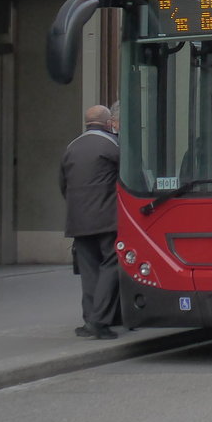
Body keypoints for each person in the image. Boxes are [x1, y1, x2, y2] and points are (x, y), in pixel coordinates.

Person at [59, 104, 121, 340]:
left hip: (78, 220)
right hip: (107, 218)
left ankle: (88, 320)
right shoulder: (112, 145)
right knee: (111, 265)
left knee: (88, 270)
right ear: (109, 123)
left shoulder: (71, 147)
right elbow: (126, 178)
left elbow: (63, 184)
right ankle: (99, 321)